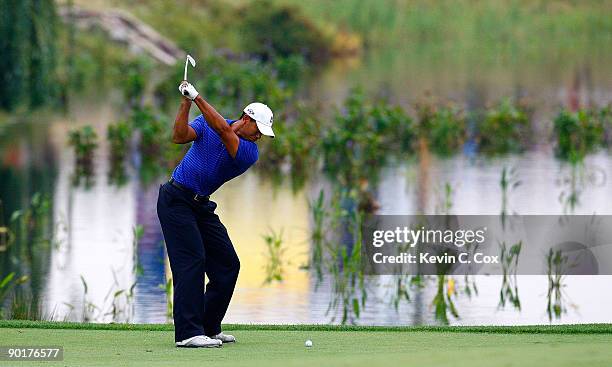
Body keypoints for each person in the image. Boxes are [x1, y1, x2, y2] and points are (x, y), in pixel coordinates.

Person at [156, 80, 275, 348]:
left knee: (227, 264)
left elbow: (223, 130)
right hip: (175, 201)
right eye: (259, 129)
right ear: (246, 118)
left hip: (200, 206)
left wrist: (197, 96)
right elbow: (179, 136)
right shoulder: (208, 121)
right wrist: (186, 102)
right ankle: (188, 333)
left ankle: (208, 328)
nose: (259, 137)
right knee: (192, 260)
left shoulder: (248, 152)